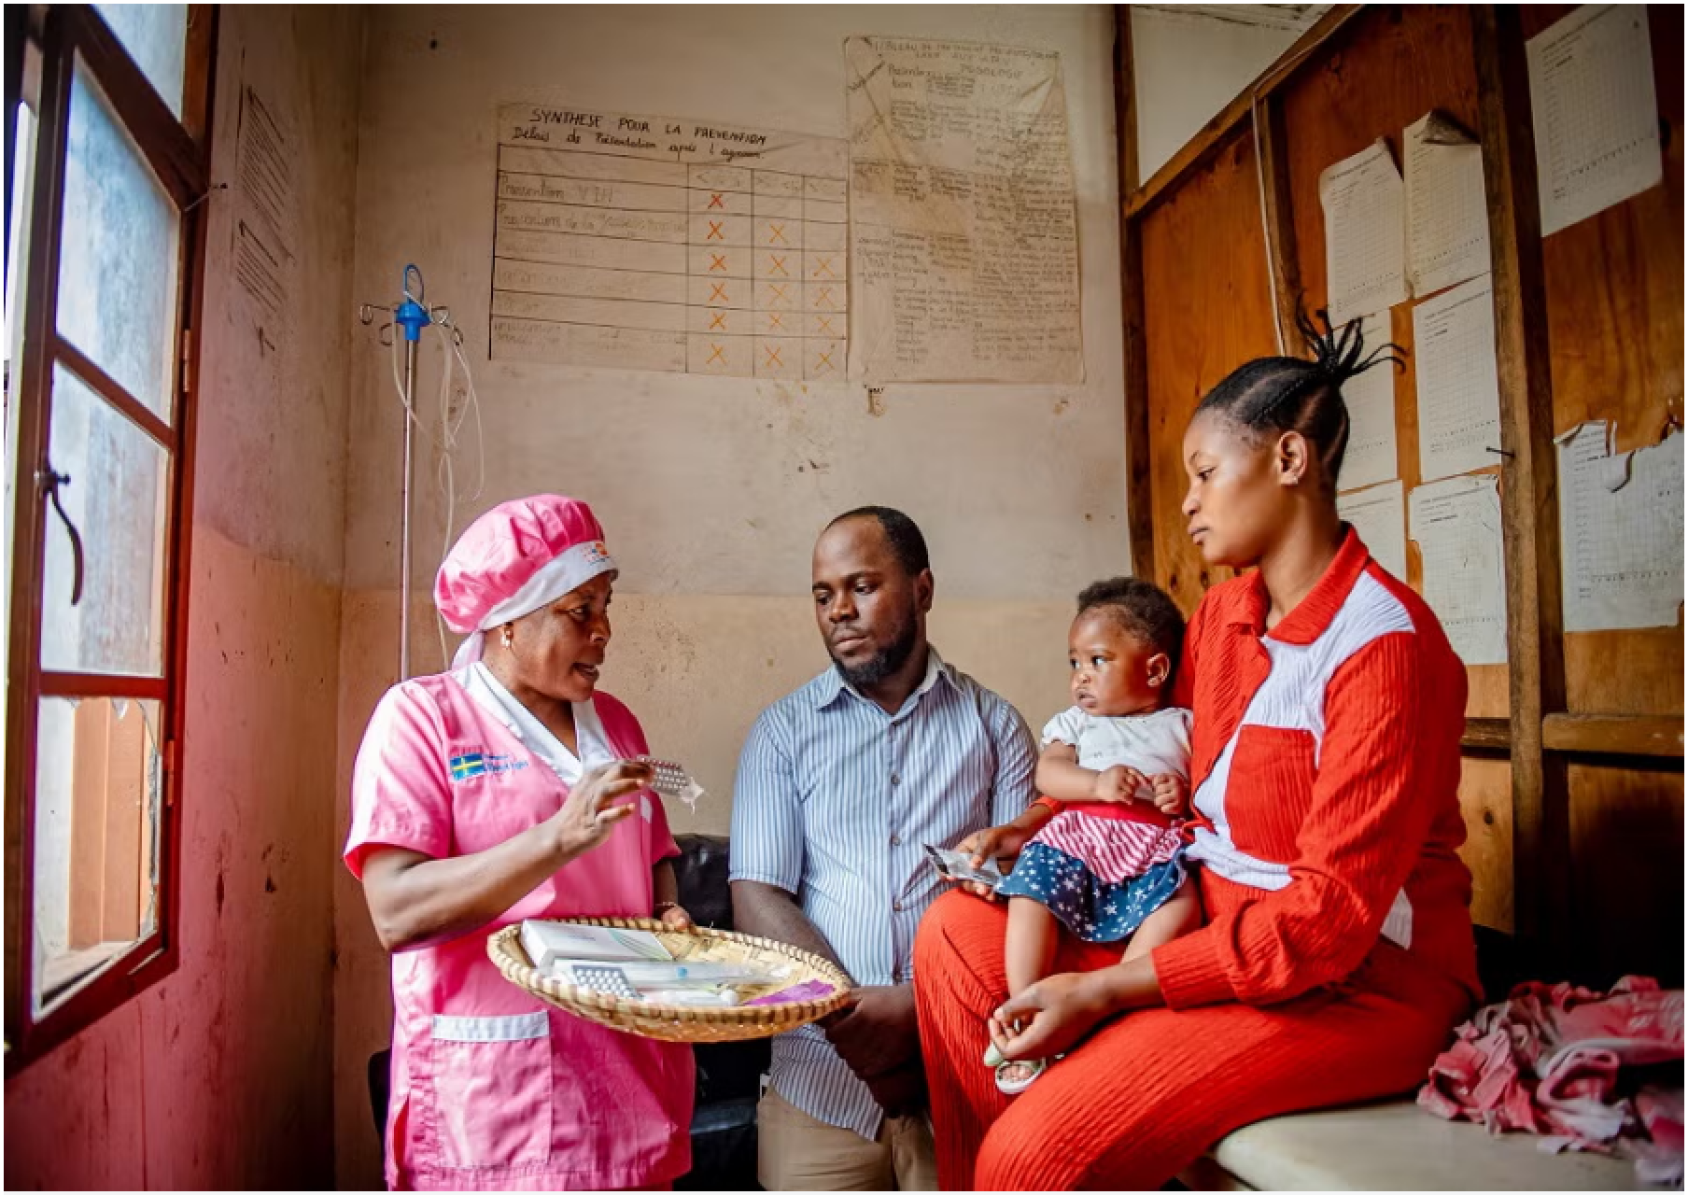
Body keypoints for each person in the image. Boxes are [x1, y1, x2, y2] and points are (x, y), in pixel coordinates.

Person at [914, 311, 1481, 1188]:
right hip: (1206, 922)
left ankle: (1046, 1149)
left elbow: (1326, 925)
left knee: (1033, 1155)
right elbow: (1143, 763)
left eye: (1207, 474)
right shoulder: (1223, 617)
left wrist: (1106, 991)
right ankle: (1044, 1144)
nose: (1189, 500)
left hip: (1356, 985)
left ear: (1289, 461)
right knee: (951, 937)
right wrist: (1030, 825)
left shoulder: (1387, 645)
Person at [345, 494, 695, 1191]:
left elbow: (653, 848)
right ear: (508, 618)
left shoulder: (616, 724)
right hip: (499, 1092)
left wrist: (667, 912)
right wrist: (554, 839)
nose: (605, 630)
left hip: (630, 1083)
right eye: (580, 611)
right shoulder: (422, 719)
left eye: (606, 605)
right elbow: (395, 909)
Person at [730, 506, 1038, 1191]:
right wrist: (850, 1017)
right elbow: (758, 891)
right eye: (822, 593)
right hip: (818, 1091)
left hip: (957, 1079)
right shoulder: (782, 733)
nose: (839, 610)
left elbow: (1026, 900)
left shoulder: (995, 728)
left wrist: (918, 1007)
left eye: (862, 586)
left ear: (923, 590)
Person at [971, 577, 1200, 1095]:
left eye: (1098, 661)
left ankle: (1115, 1009)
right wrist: (1096, 783)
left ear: (1155, 669)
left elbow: (1196, 790)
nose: (1081, 678)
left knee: (1182, 904)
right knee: (1030, 884)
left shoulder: (1182, 725)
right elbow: (1048, 775)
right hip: (1080, 841)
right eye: (1074, 662)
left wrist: (1174, 791)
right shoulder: (1075, 723)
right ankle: (1024, 1009)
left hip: (1147, 848)